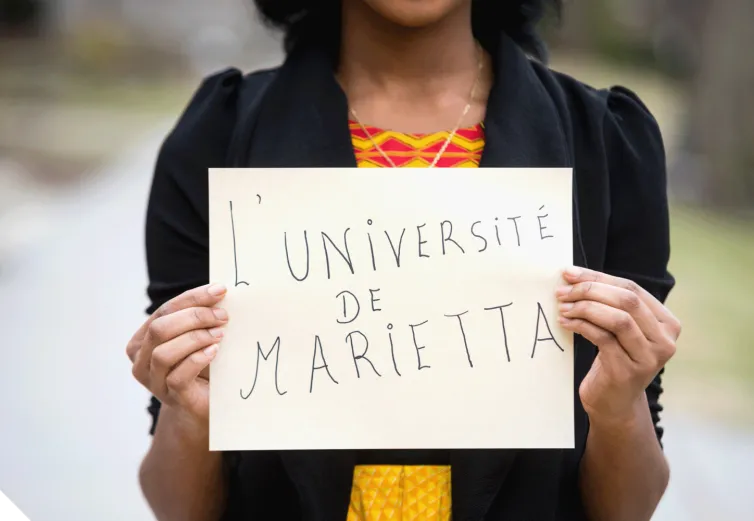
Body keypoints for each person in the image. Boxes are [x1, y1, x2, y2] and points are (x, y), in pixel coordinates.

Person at [126, 1, 682, 520]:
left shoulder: (606, 144)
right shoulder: (218, 136)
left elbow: (629, 507)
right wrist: (187, 414)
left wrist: (618, 408)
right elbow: (178, 506)